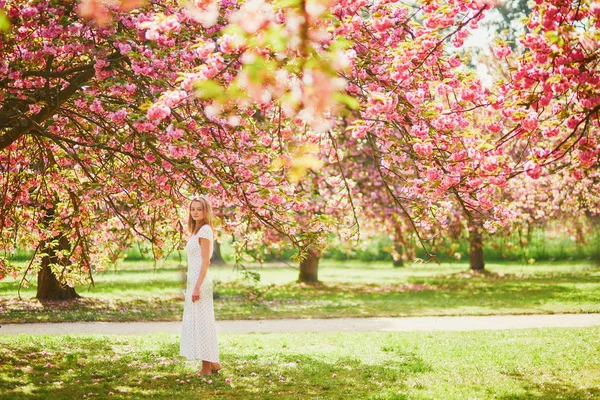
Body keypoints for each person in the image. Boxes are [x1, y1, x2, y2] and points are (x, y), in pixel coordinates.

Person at [180, 196, 221, 375]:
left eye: (199, 209)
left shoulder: (205, 230)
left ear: (206, 211)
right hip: (194, 281)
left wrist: (197, 286)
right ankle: (213, 362)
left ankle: (206, 367)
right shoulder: (196, 231)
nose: (195, 212)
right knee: (198, 322)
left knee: (203, 323)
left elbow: (206, 261)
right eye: (193, 209)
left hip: (201, 282)